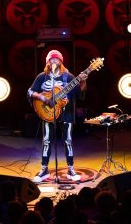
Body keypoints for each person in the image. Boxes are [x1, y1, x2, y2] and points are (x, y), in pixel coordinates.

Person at [27, 49, 88, 183]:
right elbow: (30, 91)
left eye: (57, 59)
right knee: (47, 140)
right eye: (51, 59)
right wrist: (41, 97)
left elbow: (79, 94)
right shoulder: (42, 77)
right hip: (48, 113)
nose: (54, 61)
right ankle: (44, 170)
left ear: (61, 61)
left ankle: (71, 170)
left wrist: (83, 82)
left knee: (68, 140)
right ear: (47, 62)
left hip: (67, 113)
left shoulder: (69, 77)